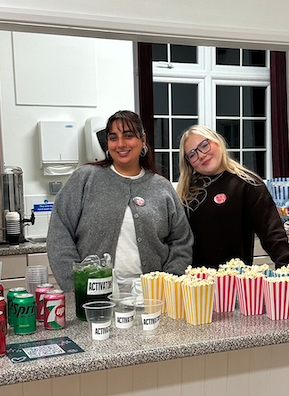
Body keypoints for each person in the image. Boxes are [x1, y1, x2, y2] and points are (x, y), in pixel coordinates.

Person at [47, 110, 193, 292]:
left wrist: (169, 282)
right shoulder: (85, 179)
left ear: (143, 140)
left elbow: (181, 241)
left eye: (128, 136)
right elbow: (59, 233)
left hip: (152, 297)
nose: (121, 144)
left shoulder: (161, 187)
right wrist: (74, 284)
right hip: (94, 295)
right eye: (113, 138)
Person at [177, 125, 289, 269]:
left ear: (217, 142)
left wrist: (288, 268)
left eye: (204, 145)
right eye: (192, 154)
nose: (201, 155)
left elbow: (272, 233)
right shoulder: (186, 193)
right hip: (194, 285)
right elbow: (176, 242)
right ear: (188, 163)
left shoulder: (247, 184)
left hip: (234, 284)